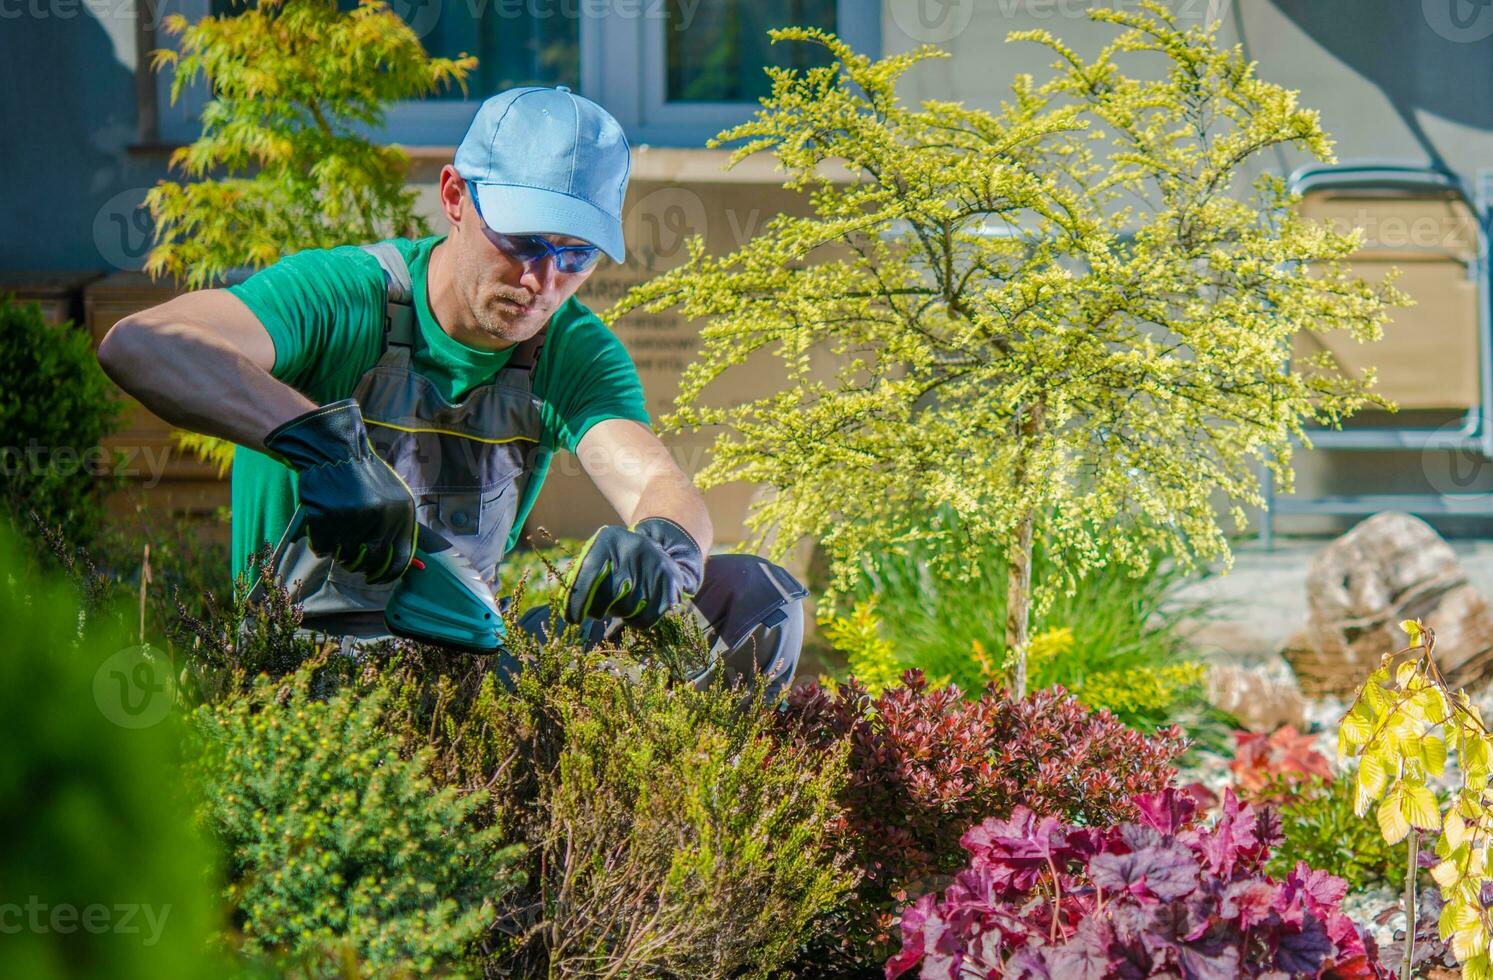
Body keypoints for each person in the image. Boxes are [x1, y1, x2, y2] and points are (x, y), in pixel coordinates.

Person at [97, 85, 805, 698]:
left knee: (751, 601)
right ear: (454, 197)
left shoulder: (570, 350)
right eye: (524, 241)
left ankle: (676, 827)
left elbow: (655, 478)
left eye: (575, 255)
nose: (542, 282)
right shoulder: (345, 297)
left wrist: (665, 547)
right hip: (303, 666)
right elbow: (144, 344)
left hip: (466, 653)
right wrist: (326, 453)